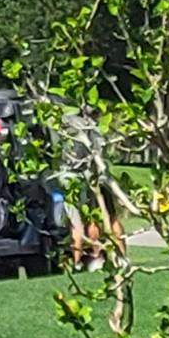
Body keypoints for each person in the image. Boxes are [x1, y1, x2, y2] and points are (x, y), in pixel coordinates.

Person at [57, 111, 126, 270]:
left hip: (72, 177)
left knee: (77, 224)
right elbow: (100, 148)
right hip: (95, 175)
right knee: (107, 217)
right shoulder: (90, 125)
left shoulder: (62, 122)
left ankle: (79, 262)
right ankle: (121, 257)